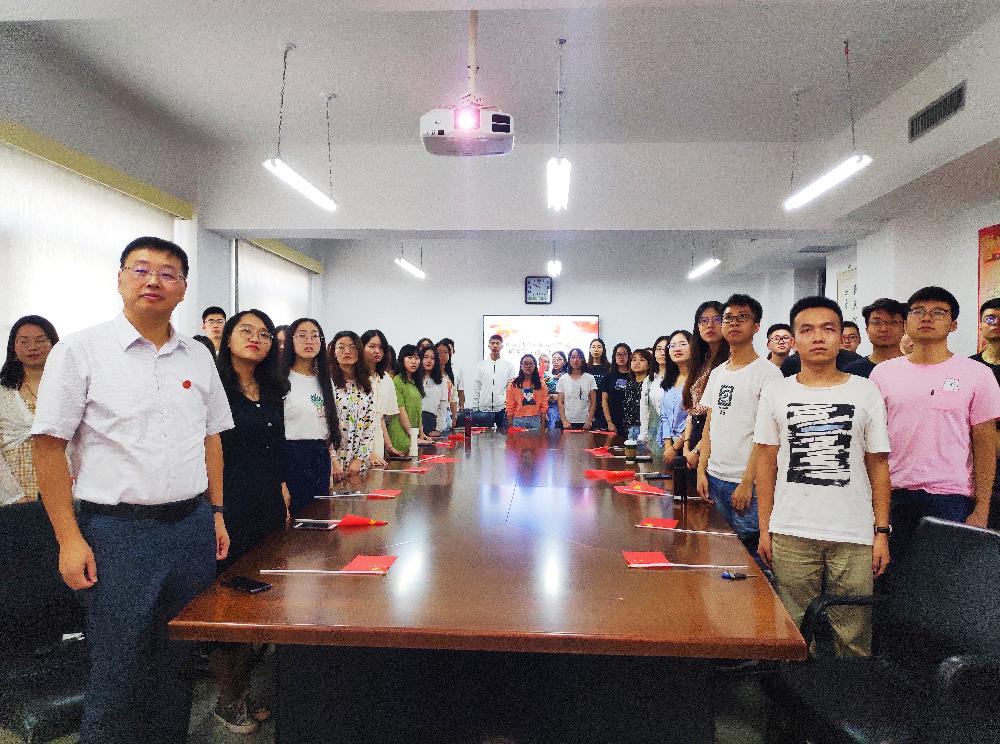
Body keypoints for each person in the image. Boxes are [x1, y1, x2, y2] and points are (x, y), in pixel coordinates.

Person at [31, 237, 232, 744]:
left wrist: (215, 512)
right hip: (116, 533)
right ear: (120, 278)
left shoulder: (198, 356)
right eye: (141, 269)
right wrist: (68, 539)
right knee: (117, 670)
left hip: (190, 529)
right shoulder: (79, 351)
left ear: (182, 288)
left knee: (178, 665)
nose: (153, 280)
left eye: (168, 273)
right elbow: (48, 448)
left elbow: (211, 439)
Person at [755, 296, 891, 658]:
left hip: (853, 533)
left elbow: (878, 464)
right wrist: (765, 528)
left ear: (842, 337)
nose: (818, 337)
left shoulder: (865, 390)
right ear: (794, 339)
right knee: (794, 629)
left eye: (828, 329)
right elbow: (766, 462)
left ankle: (851, 693)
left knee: (853, 633)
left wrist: (881, 531)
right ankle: (797, 692)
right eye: (807, 330)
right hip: (791, 530)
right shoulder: (776, 392)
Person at [869, 286, 1000, 568]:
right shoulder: (882, 374)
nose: (926, 318)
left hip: (952, 498)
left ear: (953, 325)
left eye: (938, 312)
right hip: (892, 494)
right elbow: (872, 443)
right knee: (889, 578)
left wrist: (982, 508)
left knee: (943, 581)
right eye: (918, 311)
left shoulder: (978, 374)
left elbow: (985, 444)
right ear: (906, 322)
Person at [212, 309, 290, 733]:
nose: (256, 338)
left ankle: (248, 689)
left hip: (267, 504)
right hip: (230, 505)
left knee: (265, 598)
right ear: (227, 338)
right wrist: (215, 510)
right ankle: (227, 701)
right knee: (231, 603)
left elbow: (275, 446)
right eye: (246, 331)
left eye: (264, 333)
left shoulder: (271, 389)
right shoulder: (213, 386)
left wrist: (282, 488)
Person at [697, 293, 783, 554]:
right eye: (728, 318)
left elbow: (767, 436)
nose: (734, 323)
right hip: (714, 478)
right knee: (717, 552)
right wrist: (701, 469)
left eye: (742, 317)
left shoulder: (769, 374)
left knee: (748, 557)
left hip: (748, 484)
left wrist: (747, 482)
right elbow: (710, 424)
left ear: (756, 326)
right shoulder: (718, 373)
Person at [281, 317, 341, 514]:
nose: (309, 341)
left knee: (320, 517)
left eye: (315, 336)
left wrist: (331, 461)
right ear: (290, 340)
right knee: (296, 520)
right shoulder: (281, 379)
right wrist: (280, 480)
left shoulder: (325, 380)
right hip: (291, 457)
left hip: (320, 456)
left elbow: (326, 425)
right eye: (302, 335)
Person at [0, 315, 58, 504]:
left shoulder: (68, 387)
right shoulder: (2, 391)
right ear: (13, 348)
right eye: (23, 341)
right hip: (12, 490)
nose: (32, 347)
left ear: (54, 345)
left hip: (63, 485)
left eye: (40, 340)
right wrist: (12, 494)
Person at [682, 302, 730, 475]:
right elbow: (691, 411)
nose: (710, 325)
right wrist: (686, 447)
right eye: (703, 321)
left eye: (716, 319)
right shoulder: (701, 361)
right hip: (694, 435)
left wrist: (697, 450)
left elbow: (718, 416)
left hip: (713, 439)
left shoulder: (730, 362)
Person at [329, 331, 376, 479]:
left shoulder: (366, 384)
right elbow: (322, 425)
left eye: (352, 347)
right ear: (334, 352)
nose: (347, 351)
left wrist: (359, 459)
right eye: (341, 347)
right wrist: (333, 461)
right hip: (331, 463)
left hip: (357, 464)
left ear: (359, 351)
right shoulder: (327, 383)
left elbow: (369, 424)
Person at [362, 329, 405, 463]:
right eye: (372, 346)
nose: (377, 351)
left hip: (377, 440)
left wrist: (389, 447)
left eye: (381, 348)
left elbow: (379, 417)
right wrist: (368, 453)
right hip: (357, 442)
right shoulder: (355, 376)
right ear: (361, 347)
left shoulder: (385, 378)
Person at [843, 298, 906, 378]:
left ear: (904, 327)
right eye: (876, 322)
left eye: (893, 322)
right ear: (867, 329)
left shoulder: (915, 367)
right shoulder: (851, 371)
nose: (884, 329)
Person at [659, 331, 692, 466]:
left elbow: (694, 419)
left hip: (688, 445)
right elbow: (664, 416)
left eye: (682, 344)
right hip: (670, 445)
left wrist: (675, 447)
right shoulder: (670, 379)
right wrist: (668, 445)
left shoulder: (697, 379)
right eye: (672, 346)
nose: (677, 349)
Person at [386, 344, 426, 453]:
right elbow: (401, 410)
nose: (414, 361)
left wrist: (422, 433)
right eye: (410, 357)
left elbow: (418, 411)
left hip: (413, 434)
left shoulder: (415, 382)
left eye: (417, 358)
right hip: (400, 433)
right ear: (402, 359)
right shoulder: (397, 381)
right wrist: (413, 436)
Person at [471, 334, 515, 430]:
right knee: (483, 437)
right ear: (489, 346)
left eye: (497, 343)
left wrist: (508, 406)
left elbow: (511, 388)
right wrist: (475, 407)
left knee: (502, 436)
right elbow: (477, 386)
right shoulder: (481, 365)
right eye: (493, 343)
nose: (495, 346)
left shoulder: (509, 366)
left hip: (502, 409)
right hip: (483, 408)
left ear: (501, 346)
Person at [639, 336, 670, 456]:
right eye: (659, 349)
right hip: (654, 432)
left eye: (666, 349)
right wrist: (644, 436)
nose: (662, 353)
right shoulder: (649, 380)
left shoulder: (679, 378)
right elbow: (644, 410)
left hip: (676, 435)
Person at [557, 348, 597, 430]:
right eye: (573, 357)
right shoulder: (563, 379)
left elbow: (593, 402)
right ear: (569, 360)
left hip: (585, 422)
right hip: (568, 422)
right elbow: (560, 402)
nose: (576, 360)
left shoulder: (590, 378)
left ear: (583, 360)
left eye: (578, 357)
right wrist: (564, 421)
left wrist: (589, 420)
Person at [505, 354, 548, 430]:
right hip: (518, 420)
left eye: (531, 364)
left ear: (535, 366)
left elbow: (544, 406)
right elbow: (510, 406)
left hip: (535, 419)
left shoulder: (541, 383)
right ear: (521, 366)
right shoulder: (513, 384)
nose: (528, 366)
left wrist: (542, 426)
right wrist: (511, 425)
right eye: (525, 363)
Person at [601, 343, 632, 435]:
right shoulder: (608, 377)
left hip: (632, 422)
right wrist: (609, 422)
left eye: (624, 354)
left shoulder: (634, 376)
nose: (621, 357)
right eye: (618, 354)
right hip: (613, 421)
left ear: (629, 356)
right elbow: (604, 400)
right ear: (614, 356)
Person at [418, 345, 448, 437]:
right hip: (414, 423)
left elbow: (442, 408)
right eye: (426, 357)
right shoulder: (414, 379)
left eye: (432, 358)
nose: (429, 361)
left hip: (431, 423)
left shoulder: (441, 382)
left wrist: (439, 429)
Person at [623, 349, 653, 440]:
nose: (637, 362)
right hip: (630, 428)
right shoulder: (629, 384)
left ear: (649, 365)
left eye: (642, 360)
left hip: (647, 429)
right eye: (634, 360)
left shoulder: (652, 384)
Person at [587, 338, 612, 430]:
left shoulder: (610, 368)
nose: (596, 349)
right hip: (588, 408)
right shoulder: (585, 368)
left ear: (603, 350)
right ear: (590, 349)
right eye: (593, 347)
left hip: (605, 407)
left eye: (599, 347)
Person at [436, 340, 460, 432]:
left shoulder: (449, 375)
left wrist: (454, 416)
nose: (443, 355)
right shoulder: (431, 376)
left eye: (446, 352)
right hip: (435, 417)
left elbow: (453, 398)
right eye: (439, 352)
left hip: (447, 416)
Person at [440, 337, 465, 411]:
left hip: (453, 409)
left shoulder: (458, 370)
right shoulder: (434, 368)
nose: (446, 353)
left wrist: (462, 408)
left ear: (453, 351)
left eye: (449, 350)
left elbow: (460, 391)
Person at [545, 350, 567, 429]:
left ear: (565, 361)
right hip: (549, 410)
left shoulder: (568, 376)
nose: (556, 362)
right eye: (554, 360)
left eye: (559, 359)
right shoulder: (548, 376)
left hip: (564, 410)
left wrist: (557, 397)